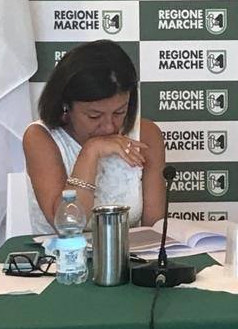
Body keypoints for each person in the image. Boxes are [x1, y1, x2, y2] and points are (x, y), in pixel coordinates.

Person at [24, 39, 166, 233]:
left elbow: (155, 230)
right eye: (94, 116)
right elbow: (67, 225)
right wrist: (91, 152)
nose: (109, 127)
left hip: (128, 251)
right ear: (66, 105)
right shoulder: (40, 137)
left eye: (119, 112)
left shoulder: (146, 135)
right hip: (60, 252)